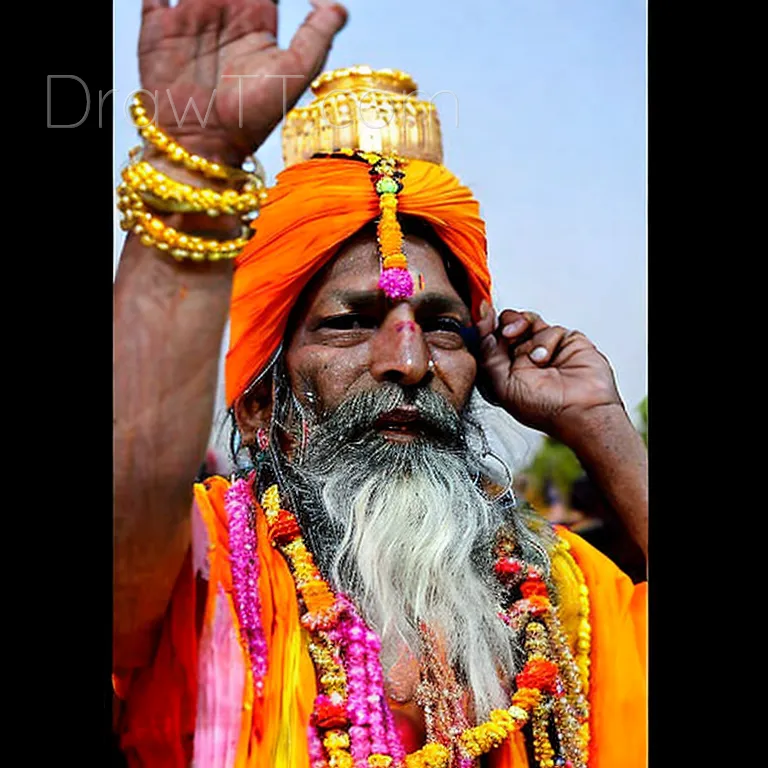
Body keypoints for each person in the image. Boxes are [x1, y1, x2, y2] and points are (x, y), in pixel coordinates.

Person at [113, 2, 647, 767]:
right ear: (263, 405)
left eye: (440, 324)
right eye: (350, 322)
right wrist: (191, 164)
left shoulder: (558, 595)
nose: (409, 361)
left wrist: (605, 428)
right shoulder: (202, 581)